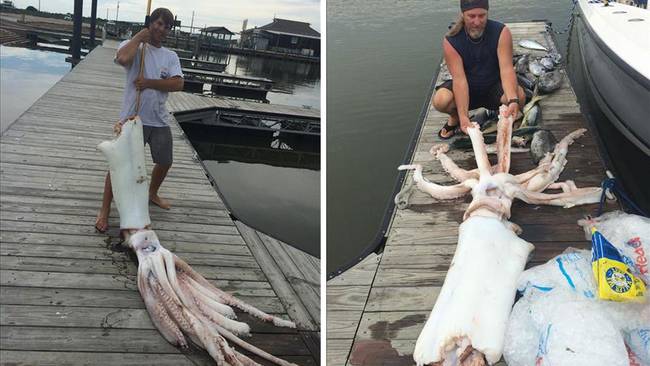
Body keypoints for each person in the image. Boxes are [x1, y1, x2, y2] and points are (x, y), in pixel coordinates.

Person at [95, 7, 184, 233]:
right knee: (119, 163)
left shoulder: (170, 56)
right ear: (150, 23)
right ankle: (104, 210)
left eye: (166, 26)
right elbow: (123, 58)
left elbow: (177, 84)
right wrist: (138, 37)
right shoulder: (135, 46)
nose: (161, 29)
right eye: (158, 23)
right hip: (133, 118)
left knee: (165, 161)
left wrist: (150, 83)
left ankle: (152, 193)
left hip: (159, 119)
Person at [434, 0, 525, 139]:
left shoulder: (501, 32)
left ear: (487, 12)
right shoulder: (451, 40)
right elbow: (459, 80)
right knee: (441, 100)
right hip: (468, 87)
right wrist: (464, 117)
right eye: (471, 16)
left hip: (494, 85)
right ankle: (456, 117)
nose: (477, 22)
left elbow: (506, 69)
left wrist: (513, 100)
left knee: (519, 95)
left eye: (482, 16)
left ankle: (508, 116)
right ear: (463, 14)